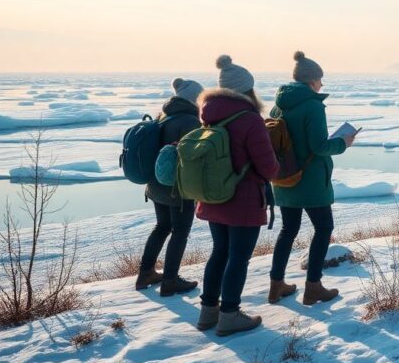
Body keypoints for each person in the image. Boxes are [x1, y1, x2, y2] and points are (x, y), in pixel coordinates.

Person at [195, 55, 280, 336]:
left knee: (219, 252)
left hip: (213, 197)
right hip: (242, 201)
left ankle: (208, 312)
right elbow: (268, 168)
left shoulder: (208, 115)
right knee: (238, 257)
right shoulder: (250, 119)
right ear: (247, 89)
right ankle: (229, 314)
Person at [268, 51, 355, 306]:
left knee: (288, 230)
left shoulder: (278, 105)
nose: (322, 85)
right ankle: (313, 287)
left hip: (284, 178)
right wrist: (343, 142)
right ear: (312, 81)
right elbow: (318, 146)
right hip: (310, 180)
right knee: (324, 228)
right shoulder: (313, 106)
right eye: (320, 79)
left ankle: (276, 286)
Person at [135, 78, 203, 296]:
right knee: (180, 231)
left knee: (162, 226)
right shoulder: (190, 121)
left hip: (155, 185)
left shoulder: (164, 114)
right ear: (194, 98)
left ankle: (146, 273)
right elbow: (194, 157)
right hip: (177, 188)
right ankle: (171, 280)